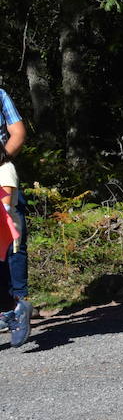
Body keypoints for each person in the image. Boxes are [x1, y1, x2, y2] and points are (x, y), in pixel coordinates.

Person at [0, 84, 30, 345]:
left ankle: (17, 306)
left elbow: (17, 132)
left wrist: (1, 158)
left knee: (10, 242)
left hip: (1, 175)